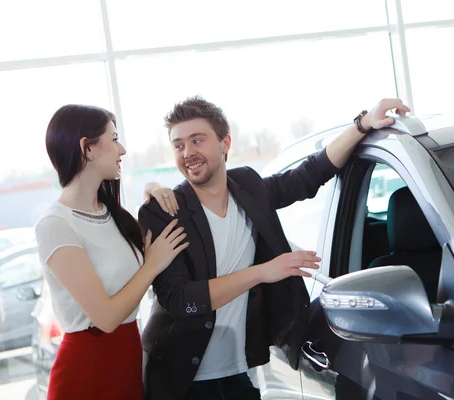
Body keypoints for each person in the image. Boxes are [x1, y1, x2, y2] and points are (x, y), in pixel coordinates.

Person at [139, 96, 410, 400]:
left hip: (239, 373)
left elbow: (310, 174)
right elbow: (178, 299)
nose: (188, 153)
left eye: (197, 140)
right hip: (182, 381)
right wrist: (262, 272)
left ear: (225, 142)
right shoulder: (164, 211)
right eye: (178, 145)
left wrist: (362, 125)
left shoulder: (249, 187)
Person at [35, 104, 189, 400]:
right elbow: (105, 318)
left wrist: (154, 189)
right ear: (87, 148)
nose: (123, 150)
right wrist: (152, 265)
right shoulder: (55, 224)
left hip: (127, 362)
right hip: (86, 373)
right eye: (114, 138)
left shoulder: (114, 215)